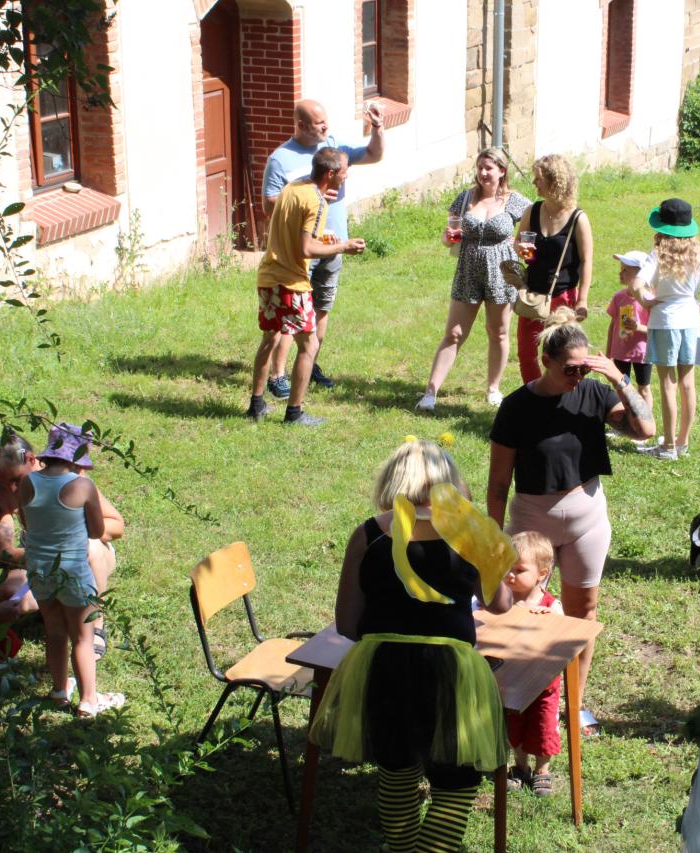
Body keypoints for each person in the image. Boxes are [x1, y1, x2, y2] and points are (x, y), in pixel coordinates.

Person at [309, 439, 514, 852]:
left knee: (397, 773)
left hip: (383, 666)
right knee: (457, 784)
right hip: (453, 671)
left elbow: (347, 623)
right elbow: (501, 604)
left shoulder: (368, 534)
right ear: (450, 481)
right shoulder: (469, 532)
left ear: (392, 481)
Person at [487, 307, 655, 736]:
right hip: (532, 521)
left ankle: (574, 703)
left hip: (587, 519)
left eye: (584, 368)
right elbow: (499, 481)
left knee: (582, 613)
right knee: (521, 611)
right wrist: (493, 537)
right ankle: (522, 699)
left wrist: (617, 378)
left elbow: (645, 430)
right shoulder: (517, 407)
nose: (578, 377)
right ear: (546, 361)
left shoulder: (594, 394)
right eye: (570, 369)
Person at [262, 99, 385, 394]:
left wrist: (378, 128)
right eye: (319, 123)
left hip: (334, 243)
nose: (326, 127)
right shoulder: (281, 159)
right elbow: (268, 205)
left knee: (321, 307)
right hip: (300, 251)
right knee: (291, 315)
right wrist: (310, 194)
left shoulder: (333, 146)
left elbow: (373, 154)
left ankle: (309, 363)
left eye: (325, 121)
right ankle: (278, 375)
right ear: (301, 126)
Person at [248, 148, 366, 426]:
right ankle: (294, 413)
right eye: (344, 172)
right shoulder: (316, 201)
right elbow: (305, 249)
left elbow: (292, 231)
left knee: (269, 339)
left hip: (268, 277)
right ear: (330, 174)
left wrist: (322, 238)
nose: (346, 176)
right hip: (291, 283)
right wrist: (343, 246)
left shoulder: (293, 187)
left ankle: (256, 405)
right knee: (309, 345)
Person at [0, 429, 124, 657]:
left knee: (90, 547)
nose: (12, 489)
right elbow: (0, 552)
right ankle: (56, 607)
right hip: (40, 559)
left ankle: (96, 622)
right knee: (8, 594)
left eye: (15, 480)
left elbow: (116, 525)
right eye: (3, 481)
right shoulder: (3, 491)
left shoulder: (70, 480)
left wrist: (74, 533)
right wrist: (43, 556)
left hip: (83, 554)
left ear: (32, 460)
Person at [18, 423, 122, 717]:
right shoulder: (82, 486)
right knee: (83, 636)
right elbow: (97, 531)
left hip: (39, 569)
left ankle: (59, 691)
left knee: (54, 631)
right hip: (73, 572)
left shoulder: (28, 482)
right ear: (78, 459)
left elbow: (26, 522)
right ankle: (89, 700)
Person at [416, 148, 531, 412]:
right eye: (480, 167)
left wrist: (519, 242)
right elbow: (448, 236)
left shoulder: (514, 201)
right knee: (454, 333)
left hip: (501, 273)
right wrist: (447, 238)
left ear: (502, 171)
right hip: (468, 270)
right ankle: (430, 393)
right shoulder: (465, 198)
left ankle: (493, 389)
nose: (483, 173)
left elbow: (534, 225)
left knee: (498, 332)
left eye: (489, 168)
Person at [629, 198, 700, 460]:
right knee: (688, 383)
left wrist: (645, 302)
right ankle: (682, 441)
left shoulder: (658, 254)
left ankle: (668, 447)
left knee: (667, 384)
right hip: (690, 321)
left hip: (665, 321)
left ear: (662, 228)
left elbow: (636, 284)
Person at [513, 154, 593, 384]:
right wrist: (521, 249)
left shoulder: (578, 218)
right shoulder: (532, 210)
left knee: (564, 355)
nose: (534, 182)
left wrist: (582, 300)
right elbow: (518, 241)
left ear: (554, 181)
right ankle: (535, 396)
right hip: (533, 296)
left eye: (538, 178)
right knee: (526, 354)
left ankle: (565, 394)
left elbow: (586, 260)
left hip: (563, 297)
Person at [504, 530, 563, 797]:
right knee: (514, 727)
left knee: (543, 727)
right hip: (512, 681)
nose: (510, 575)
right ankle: (520, 766)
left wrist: (549, 617)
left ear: (542, 573)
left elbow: (566, 632)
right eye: (507, 567)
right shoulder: (504, 600)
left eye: (519, 570)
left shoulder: (550, 604)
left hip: (544, 683)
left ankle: (542, 770)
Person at [605, 251, 654, 431]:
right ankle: (624, 423)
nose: (621, 273)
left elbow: (656, 331)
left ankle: (645, 425)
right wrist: (609, 352)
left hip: (643, 353)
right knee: (622, 388)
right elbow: (613, 325)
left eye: (626, 270)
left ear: (640, 274)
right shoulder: (619, 297)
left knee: (643, 388)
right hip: (620, 353)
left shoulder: (649, 300)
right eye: (621, 269)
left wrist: (638, 327)